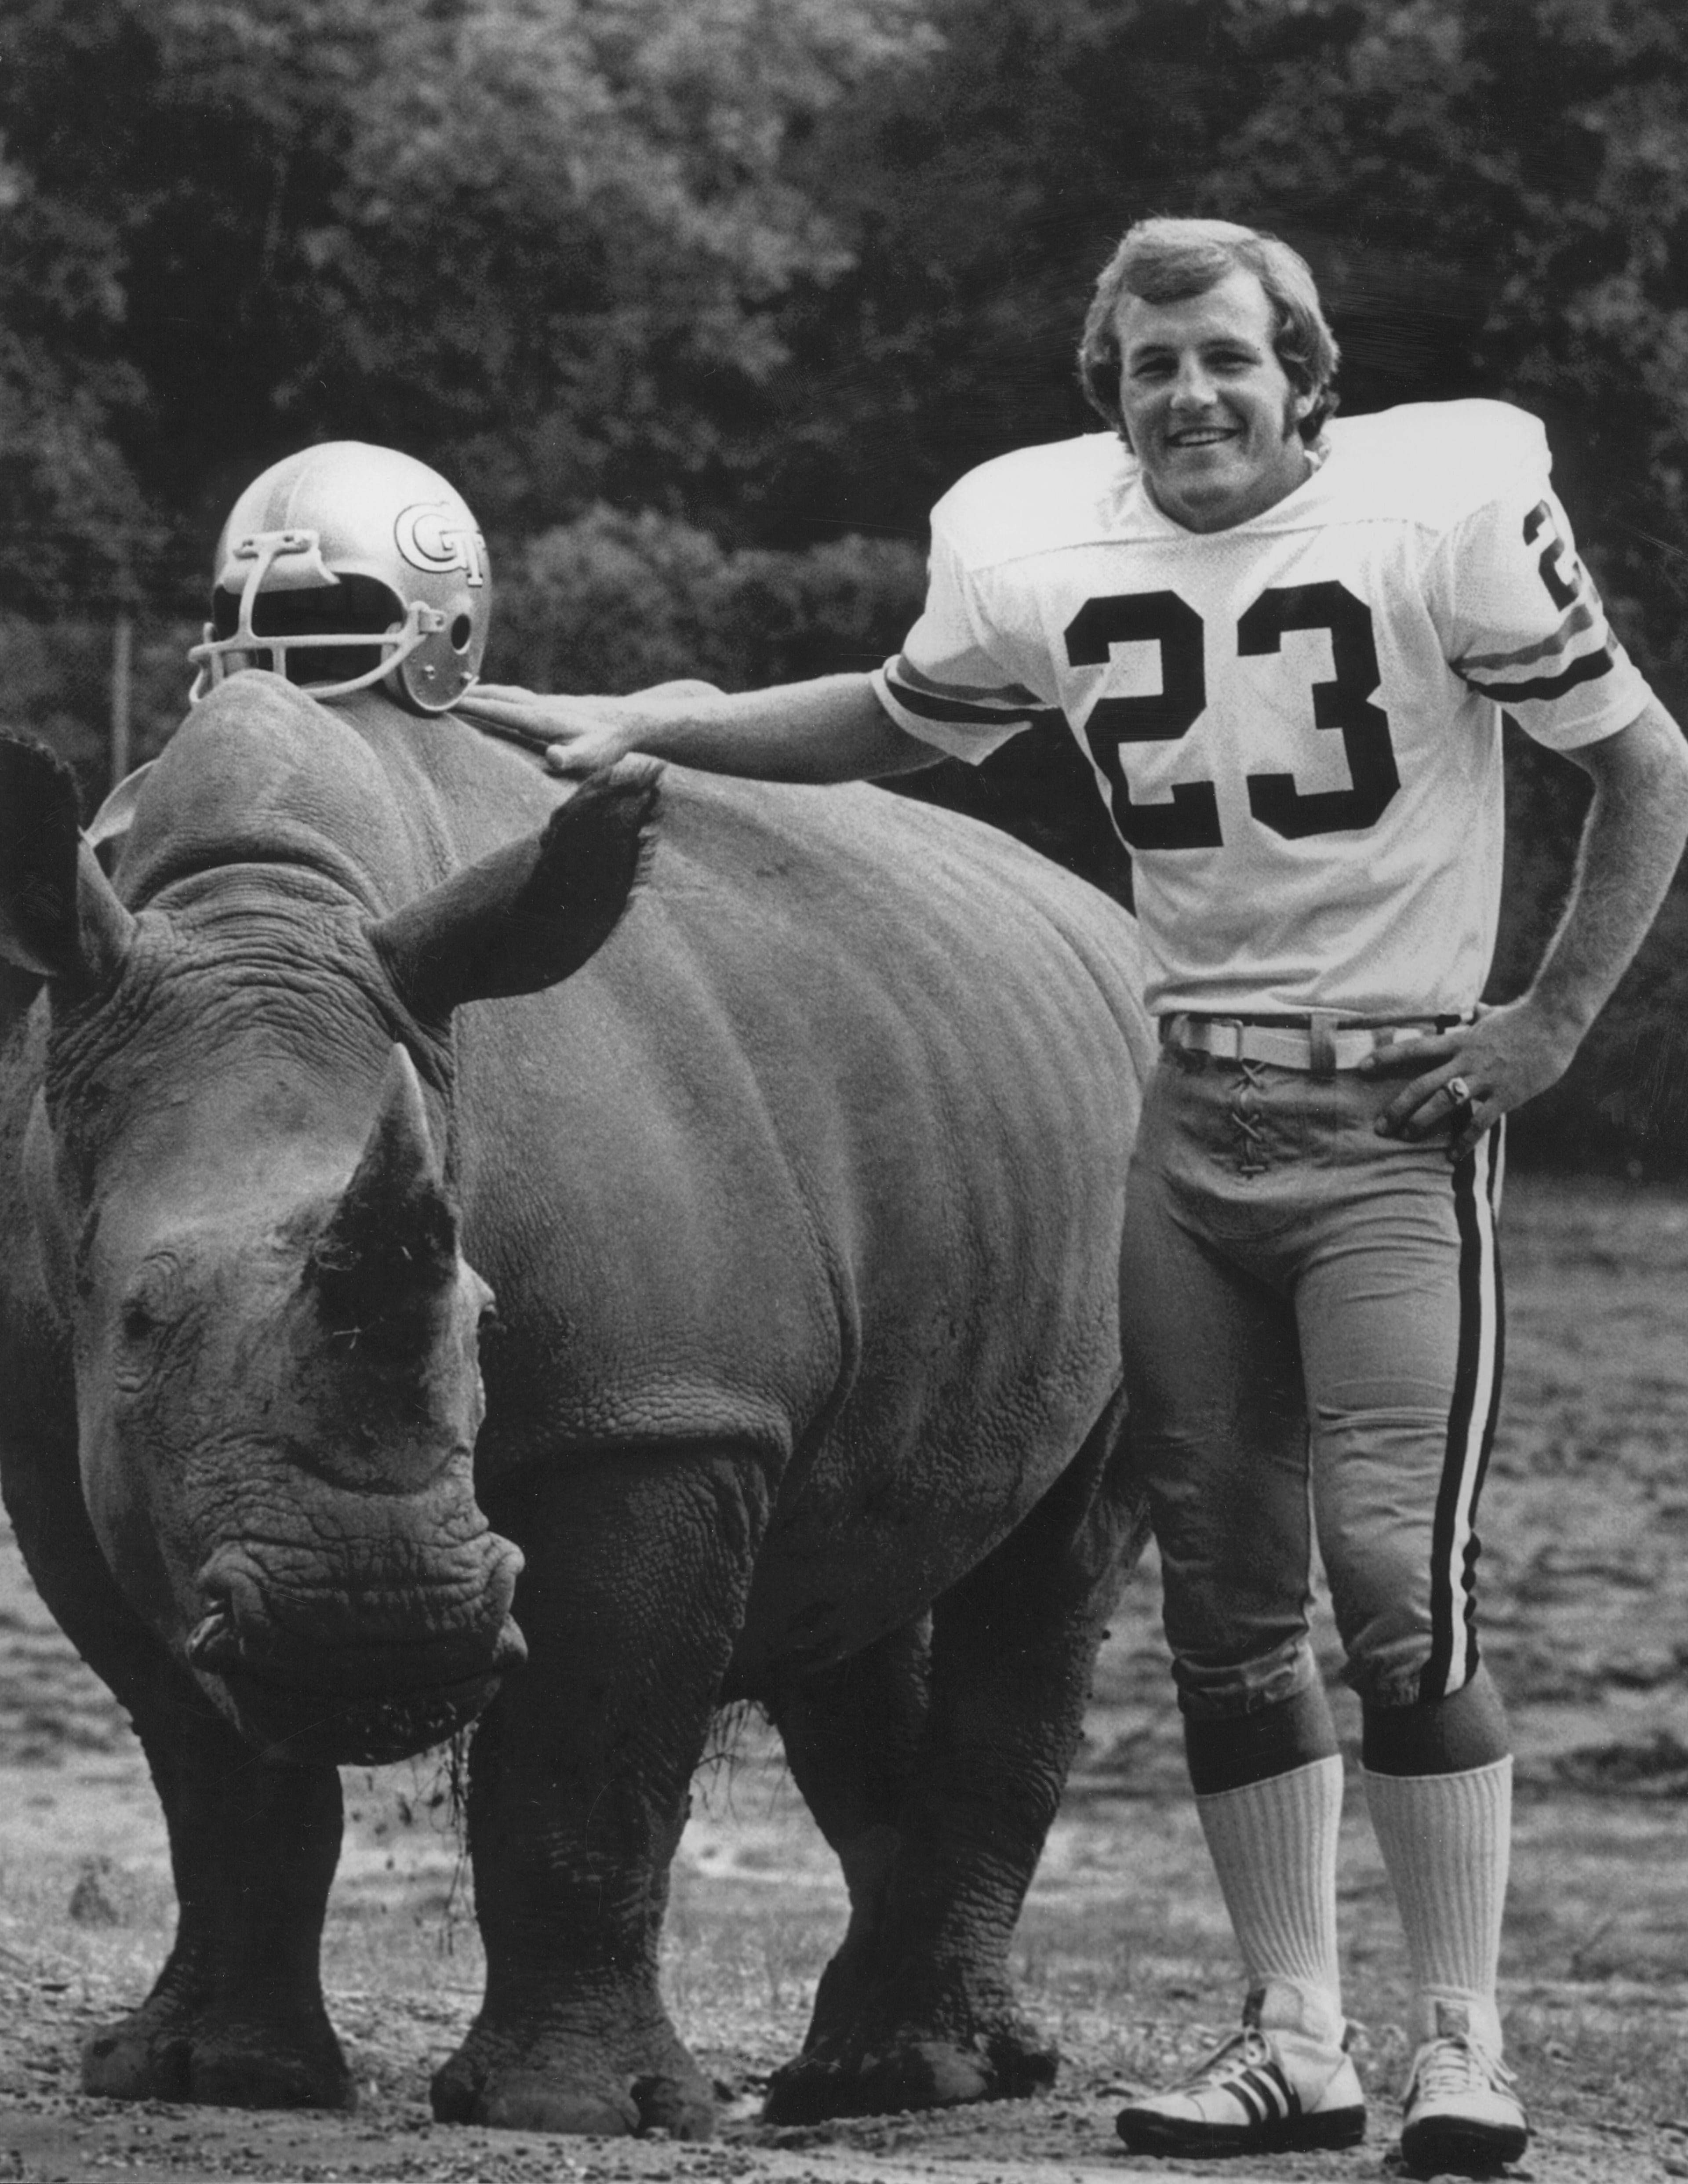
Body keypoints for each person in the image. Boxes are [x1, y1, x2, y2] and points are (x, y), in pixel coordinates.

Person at [457, 216, 1688, 2174]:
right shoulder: (1046, 541)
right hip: (1186, 1118)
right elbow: (890, 716)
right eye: (1146, 370)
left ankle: (1467, 2043)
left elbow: (1646, 766)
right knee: (1221, 1598)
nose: (1188, 396)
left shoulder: (1444, 508)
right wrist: (664, 726)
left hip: (1387, 1127)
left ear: (1308, 370)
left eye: (1223, 358)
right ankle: (1298, 2034)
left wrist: (1546, 1027)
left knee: (1396, 1584)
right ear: (1105, 400)